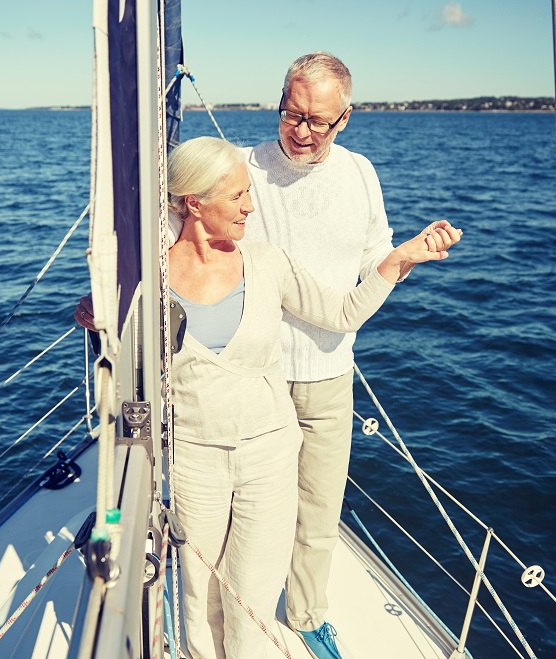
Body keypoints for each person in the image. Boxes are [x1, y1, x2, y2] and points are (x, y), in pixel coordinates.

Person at [75, 136, 461, 659]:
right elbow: (133, 387)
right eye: (236, 197)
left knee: (252, 596)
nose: (250, 207)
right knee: (199, 593)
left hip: (270, 457)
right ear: (194, 202)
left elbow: (344, 313)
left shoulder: (267, 263)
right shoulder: (147, 284)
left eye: (249, 193)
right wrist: (134, 466)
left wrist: (402, 259)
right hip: (192, 460)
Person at [241, 51, 425, 658]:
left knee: (319, 510)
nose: (301, 130)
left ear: (345, 117)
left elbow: (379, 255)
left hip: (328, 374)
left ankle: (307, 613)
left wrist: (409, 255)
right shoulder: (245, 169)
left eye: (318, 121)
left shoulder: (360, 175)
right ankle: (235, 607)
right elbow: (177, 231)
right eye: (292, 114)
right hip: (254, 375)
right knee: (250, 509)